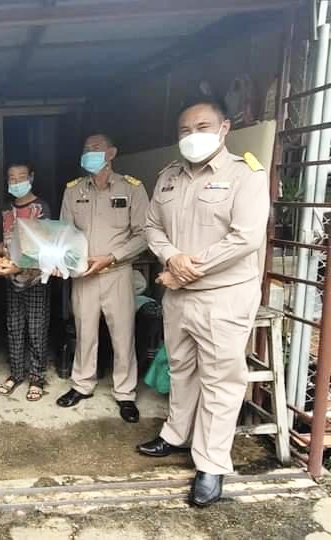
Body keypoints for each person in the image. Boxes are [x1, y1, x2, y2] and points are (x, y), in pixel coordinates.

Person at [140, 99, 268, 507]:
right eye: (185, 130)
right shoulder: (168, 177)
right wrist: (171, 258)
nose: (192, 136)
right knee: (181, 368)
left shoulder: (245, 175)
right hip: (179, 296)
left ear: (224, 128)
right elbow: (151, 226)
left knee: (219, 381)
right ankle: (176, 435)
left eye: (202, 127)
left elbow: (246, 237)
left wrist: (187, 269)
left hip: (222, 297)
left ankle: (211, 464)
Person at [56, 134, 149, 424]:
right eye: (86, 148)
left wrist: (112, 257)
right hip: (84, 274)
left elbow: (144, 234)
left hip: (117, 273)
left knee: (122, 335)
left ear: (112, 153)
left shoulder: (132, 188)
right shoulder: (73, 190)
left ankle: (125, 393)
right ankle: (82, 384)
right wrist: (62, 260)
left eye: (96, 148)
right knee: (84, 332)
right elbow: (64, 233)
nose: (89, 152)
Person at [0, 162, 52, 401]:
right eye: (12, 178)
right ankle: (16, 374)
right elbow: (7, 241)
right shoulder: (7, 208)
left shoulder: (41, 207)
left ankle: (37, 377)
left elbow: (42, 244)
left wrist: (18, 265)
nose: (16, 182)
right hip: (11, 279)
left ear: (31, 177)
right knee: (14, 327)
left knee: (36, 328)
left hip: (35, 278)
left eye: (21, 177)